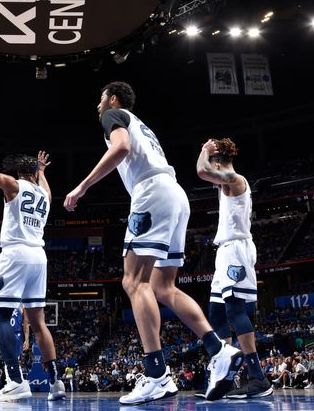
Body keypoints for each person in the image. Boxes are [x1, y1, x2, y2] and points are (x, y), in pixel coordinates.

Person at [64, 82, 243, 403]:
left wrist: (82, 186)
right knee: (163, 287)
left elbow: (119, 149)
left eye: (99, 98)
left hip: (150, 195)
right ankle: (219, 349)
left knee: (134, 282)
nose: (97, 106)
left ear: (114, 99)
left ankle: (157, 373)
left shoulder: (113, 115)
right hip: (174, 193)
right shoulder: (143, 126)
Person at [0, 105, 65, 402]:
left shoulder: (12, 185)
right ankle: (56, 381)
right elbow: (46, 187)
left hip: (16, 254)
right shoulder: (44, 194)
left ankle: (15, 380)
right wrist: (43, 172)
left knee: (0, 316)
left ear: (18, 172)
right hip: (39, 257)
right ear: (35, 172)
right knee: (38, 322)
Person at [195, 138, 272, 399]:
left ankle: (259, 378)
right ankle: (226, 377)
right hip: (225, 251)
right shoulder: (225, 180)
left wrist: (204, 150)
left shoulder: (234, 178)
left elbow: (202, 171)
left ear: (217, 161)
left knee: (235, 309)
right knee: (215, 313)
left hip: (237, 249)